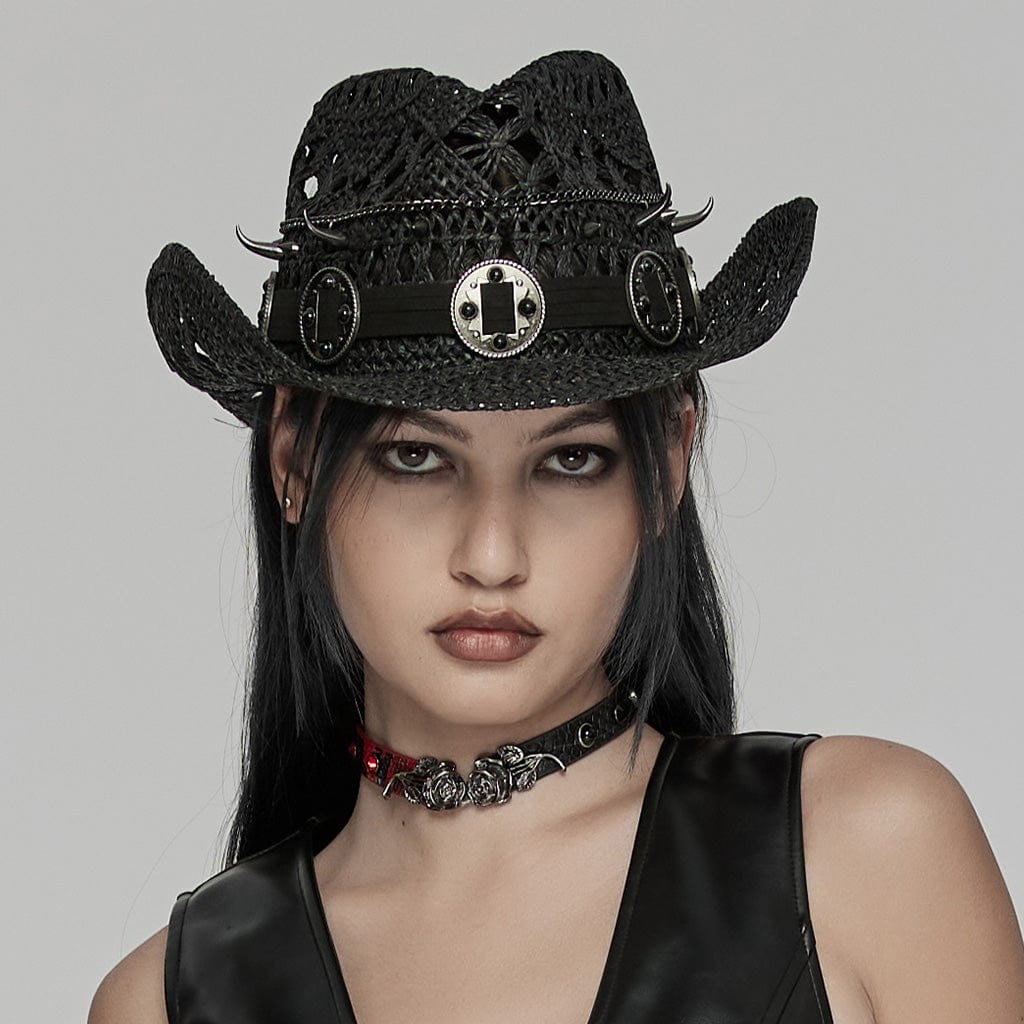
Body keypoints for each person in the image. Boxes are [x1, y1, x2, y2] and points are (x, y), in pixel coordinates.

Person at [89, 50, 1024, 1024]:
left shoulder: (864, 857)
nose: (493, 555)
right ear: (293, 460)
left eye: (570, 460)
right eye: (416, 457)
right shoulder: (170, 1000)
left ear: (669, 459)